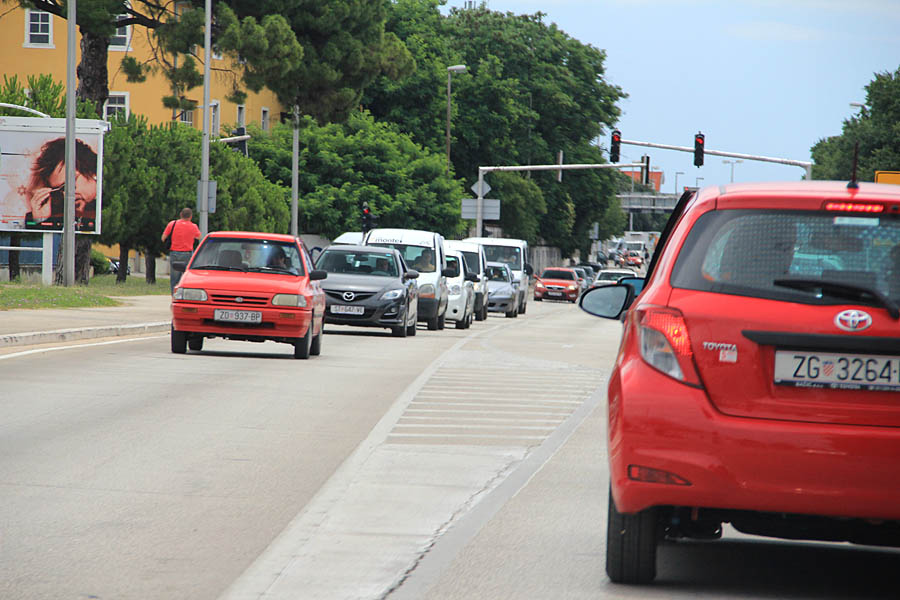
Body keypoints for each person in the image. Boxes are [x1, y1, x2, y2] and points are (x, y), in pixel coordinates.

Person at [23, 137, 98, 231]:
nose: (65, 194)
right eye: (60, 190)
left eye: (69, 185)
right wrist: (40, 221)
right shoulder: (58, 213)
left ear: (90, 170)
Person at [161, 207, 201, 291]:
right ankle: (184, 294)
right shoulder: (193, 226)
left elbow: (163, 238)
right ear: (190, 216)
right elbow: (198, 237)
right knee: (187, 277)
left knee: (174, 278)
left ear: (180, 214)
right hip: (187, 254)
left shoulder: (172, 224)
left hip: (174, 253)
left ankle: (174, 294)